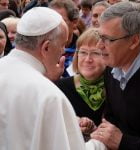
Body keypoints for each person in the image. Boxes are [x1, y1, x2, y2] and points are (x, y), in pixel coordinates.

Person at [0, 7, 87, 150]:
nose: (63, 51)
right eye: (62, 45)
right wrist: (98, 144)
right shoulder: (49, 96)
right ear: (46, 47)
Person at [90, 2, 140, 150]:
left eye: (107, 39)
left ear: (134, 41)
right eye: (99, 36)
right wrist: (98, 130)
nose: (99, 45)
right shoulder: (111, 69)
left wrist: (123, 142)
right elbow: (111, 116)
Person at [55, 27, 106, 138]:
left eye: (96, 53)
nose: (88, 59)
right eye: (83, 52)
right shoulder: (60, 87)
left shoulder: (117, 87)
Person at [49, 0, 79, 77]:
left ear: (74, 22)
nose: (53, 26)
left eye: (60, 21)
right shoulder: (42, 51)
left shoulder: (83, 51)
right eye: (50, 21)